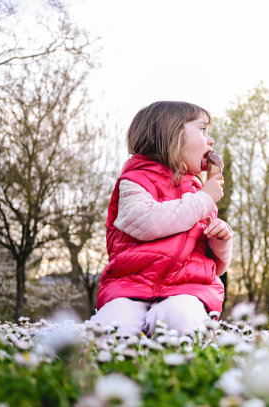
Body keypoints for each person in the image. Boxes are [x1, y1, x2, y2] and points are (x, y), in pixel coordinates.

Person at [90, 101, 231, 337]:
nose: (211, 140)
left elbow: (215, 266)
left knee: (179, 320)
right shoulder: (135, 181)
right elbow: (146, 222)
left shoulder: (199, 191)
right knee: (112, 330)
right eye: (203, 130)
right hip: (130, 286)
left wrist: (221, 242)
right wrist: (204, 200)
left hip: (187, 289)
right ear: (173, 135)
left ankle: (185, 367)